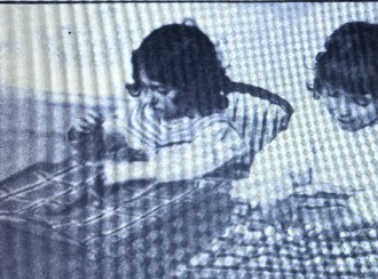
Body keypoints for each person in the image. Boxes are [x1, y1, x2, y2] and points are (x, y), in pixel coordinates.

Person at [230, 22, 378, 226]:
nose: (343, 111)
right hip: (319, 222)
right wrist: (272, 190)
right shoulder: (315, 118)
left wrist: (347, 213)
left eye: (361, 101)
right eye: (333, 95)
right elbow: (280, 159)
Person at [68, 21, 262, 184]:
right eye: (145, 87)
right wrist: (85, 135)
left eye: (161, 90)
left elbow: (189, 166)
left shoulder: (215, 128)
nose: (149, 99)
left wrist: (126, 173)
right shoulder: (142, 114)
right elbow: (102, 147)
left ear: (194, 87)